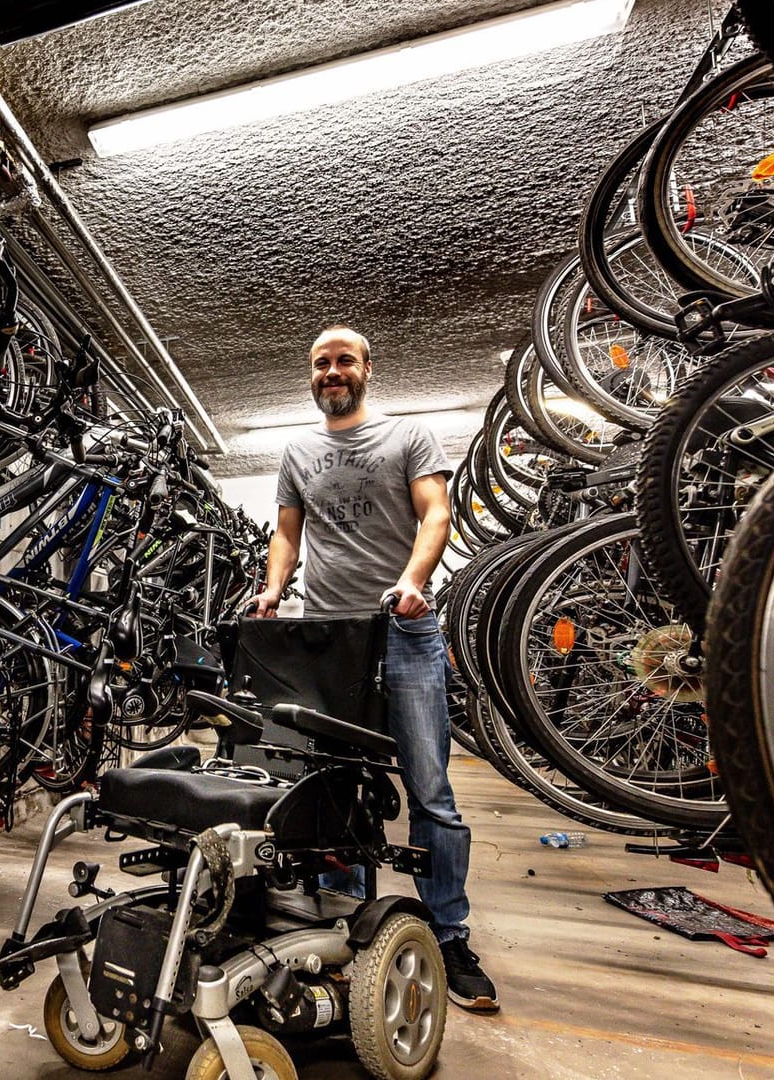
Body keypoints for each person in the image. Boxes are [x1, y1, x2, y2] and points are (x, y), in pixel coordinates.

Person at [244, 324, 498, 1013]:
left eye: (343, 361)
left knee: (430, 791)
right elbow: (287, 533)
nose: (332, 371)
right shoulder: (297, 450)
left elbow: (436, 513)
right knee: (343, 786)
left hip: (405, 630)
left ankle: (448, 933)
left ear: (366, 368)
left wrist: (416, 579)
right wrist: (274, 588)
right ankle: (352, 916)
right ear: (312, 374)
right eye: (321, 363)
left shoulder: (408, 437)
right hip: (333, 638)